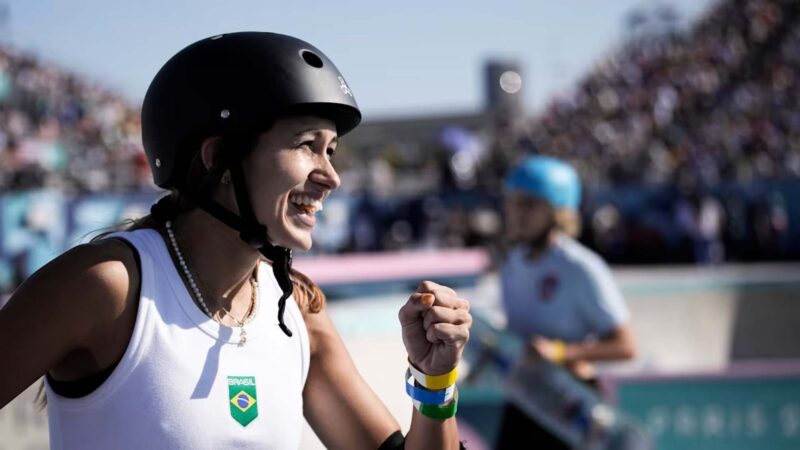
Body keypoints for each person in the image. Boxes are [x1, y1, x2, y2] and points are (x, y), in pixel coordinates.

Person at [0, 32, 472, 450]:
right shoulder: (106, 286)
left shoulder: (299, 312)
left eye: (331, 151)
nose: (331, 176)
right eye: (307, 144)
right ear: (218, 159)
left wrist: (435, 380)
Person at [495, 156, 636, 449]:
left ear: (557, 212)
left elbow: (626, 346)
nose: (517, 213)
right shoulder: (511, 264)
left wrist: (559, 352)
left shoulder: (580, 266)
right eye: (513, 202)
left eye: (530, 204)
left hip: (571, 406)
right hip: (524, 399)